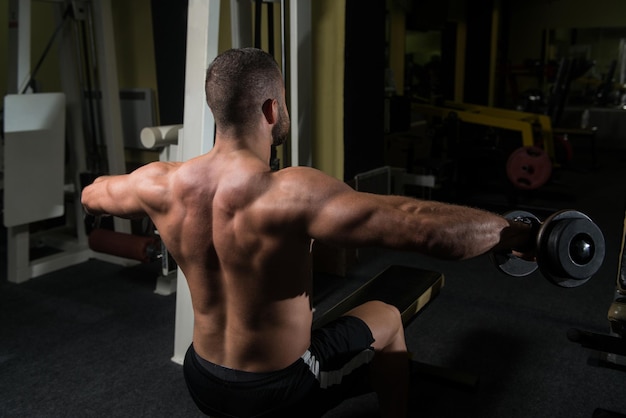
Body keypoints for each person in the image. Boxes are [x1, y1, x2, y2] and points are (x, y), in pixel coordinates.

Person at [81, 47, 535, 418]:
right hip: (277, 389)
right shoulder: (290, 192)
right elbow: (419, 224)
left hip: (201, 377)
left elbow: (94, 194)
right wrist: (518, 234)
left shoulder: (159, 182)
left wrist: (95, 193)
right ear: (271, 108)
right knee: (389, 319)